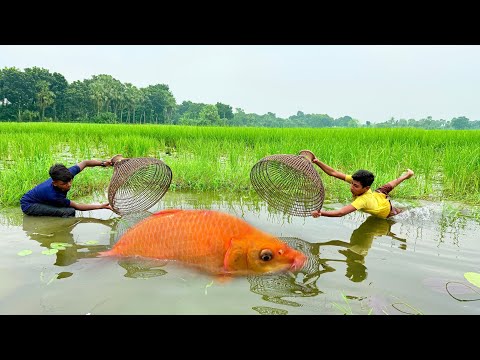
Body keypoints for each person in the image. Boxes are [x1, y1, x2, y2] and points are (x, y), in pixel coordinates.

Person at [309, 152, 414, 219]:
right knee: (385, 188)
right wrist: (317, 162)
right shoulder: (358, 181)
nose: (352, 187)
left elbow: (341, 212)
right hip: (378, 195)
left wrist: (321, 213)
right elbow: (334, 173)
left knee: (402, 213)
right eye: (352, 184)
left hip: (386, 211)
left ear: (366, 188)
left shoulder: (363, 200)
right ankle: (407, 175)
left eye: (356, 186)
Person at [20, 159, 113, 217]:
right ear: (55, 183)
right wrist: (100, 206)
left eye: (70, 181)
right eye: (64, 183)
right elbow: (77, 206)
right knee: (69, 212)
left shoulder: (67, 174)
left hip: (38, 198)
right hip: (29, 205)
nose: (69, 185)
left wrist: (103, 163)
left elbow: (85, 163)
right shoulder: (54, 196)